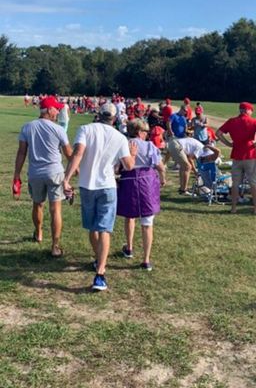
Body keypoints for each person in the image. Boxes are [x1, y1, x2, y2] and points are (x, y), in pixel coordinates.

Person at [63, 103, 136, 291]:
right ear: (115, 118)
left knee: (93, 227)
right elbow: (128, 166)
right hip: (107, 186)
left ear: (98, 114)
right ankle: (100, 273)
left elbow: (78, 153)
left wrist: (66, 179)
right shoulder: (120, 137)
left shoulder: (85, 129)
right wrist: (133, 154)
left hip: (87, 185)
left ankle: (99, 261)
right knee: (104, 229)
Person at [14, 96, 73, 256]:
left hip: (35, 173)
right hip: (55, 172)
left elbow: (21, 152)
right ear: (48, 110)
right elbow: (69, 154)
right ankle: (55, 246)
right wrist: (77, 170)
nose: (58, 111)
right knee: (56, 209)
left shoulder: (27, 127)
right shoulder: (59, 129)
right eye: (56, 109)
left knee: (37, 204)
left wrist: (16, 175)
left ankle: (38, 232)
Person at [118, 119, 164, 271]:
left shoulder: (123, 143)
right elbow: (159, 165)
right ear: (139, 132)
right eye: (145, 132)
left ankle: (129, 247)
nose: (147, 135)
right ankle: (146, 259)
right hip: (147, 182)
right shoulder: (149, 145)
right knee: (147, 222)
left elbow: (118, 166)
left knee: (129, 216)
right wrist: (162, 177)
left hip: (128, 181)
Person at [216, 102, 256, 215]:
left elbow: (218, 133)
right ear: (248, 110)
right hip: (249, 154)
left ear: (240, 110)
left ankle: (233, 208)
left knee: (235, 183)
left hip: (236, 155)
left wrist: (228, 143)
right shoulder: (253, 121)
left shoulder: (232, 121)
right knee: (253, 182)